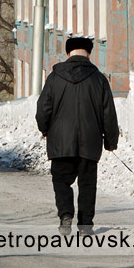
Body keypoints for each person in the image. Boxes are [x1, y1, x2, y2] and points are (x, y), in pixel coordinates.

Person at [35, 36, 119, 234]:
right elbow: (109, 113)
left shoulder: (55, 78)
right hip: (90, 142)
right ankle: (85, 225)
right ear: (89, 53)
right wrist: (111, 141)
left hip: (60, 141)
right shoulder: (99, 79)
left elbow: (43, 109)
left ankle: (65, 215)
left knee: (61, 180)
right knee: (87, 183)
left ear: (67, 53)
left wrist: (45, 129)